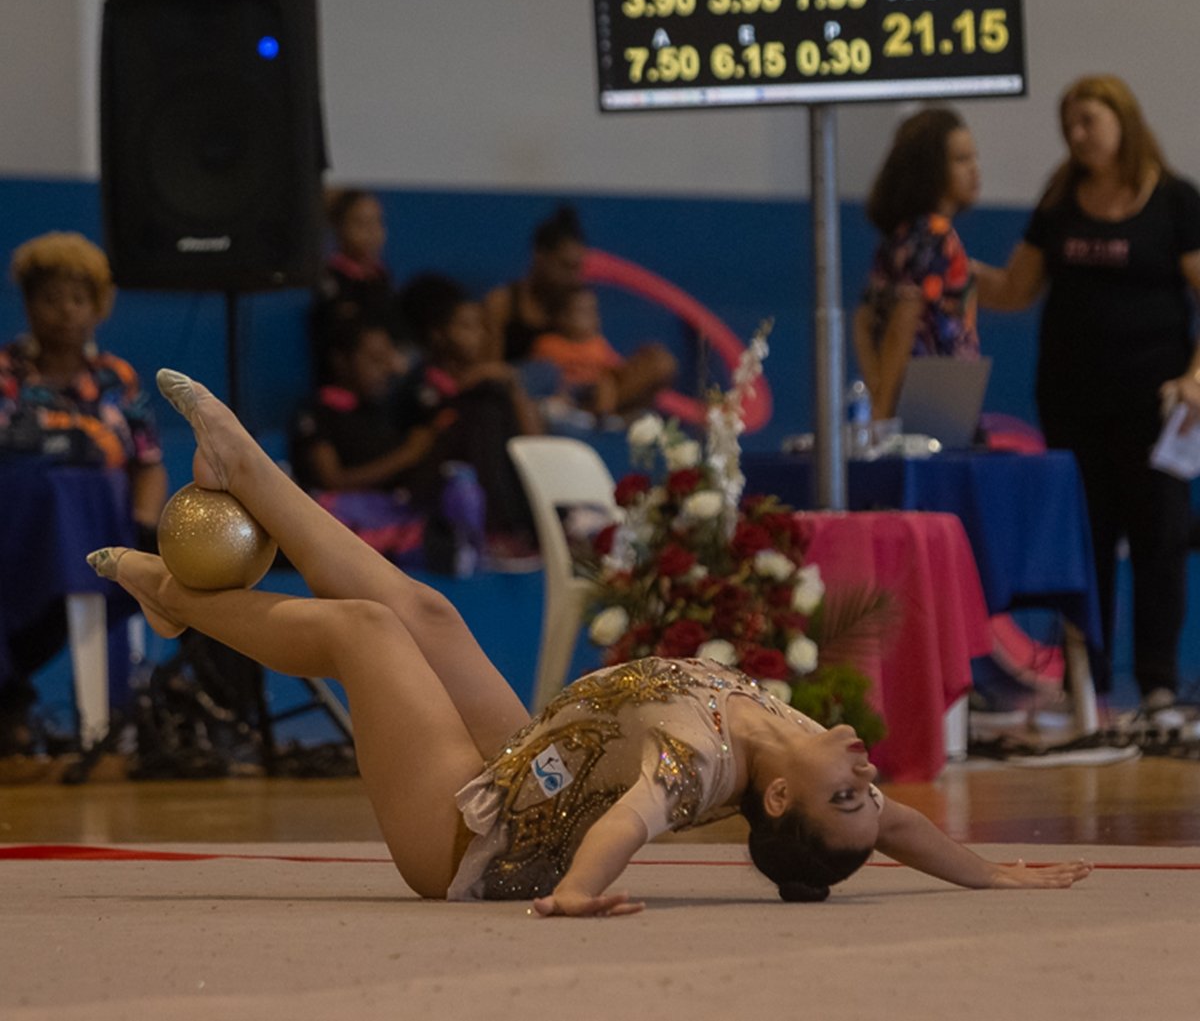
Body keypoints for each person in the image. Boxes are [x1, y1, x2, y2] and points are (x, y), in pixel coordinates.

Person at [86, 368, 1093, 912]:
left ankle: (179, 594)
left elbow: (628, 826)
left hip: (467, 843)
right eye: (868, 789)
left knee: (368, 632)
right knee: (430, 612)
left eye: (848, 792)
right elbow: (896, 830)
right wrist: (990, 872)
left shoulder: (700, 764)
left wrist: (576, 897)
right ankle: (248, 485)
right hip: (526, 762)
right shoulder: (793, 735)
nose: (869, 776)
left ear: (778, 798)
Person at [973, 74, 1200, 717]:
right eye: (1068, 124)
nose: (1077, 136)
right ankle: (1089, 683)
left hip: (1155, 408)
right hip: (1072, 401)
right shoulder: (1061, 197)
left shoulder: (1175, 201)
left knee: (1159, 539)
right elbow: (1017, 289)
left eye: (1089, 122)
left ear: (1123, 122)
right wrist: (946, 263)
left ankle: (1156, 683)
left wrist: (1195, 378)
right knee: (1087, 541)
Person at [0, 231, 167, 752]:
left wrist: (143, 521)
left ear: (98, 307)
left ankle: (95, 720)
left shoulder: (117, 378)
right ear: (28, 304)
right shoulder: (7, 373)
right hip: (15, 534)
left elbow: (149, 463)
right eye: (51, 298)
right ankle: (9, 699)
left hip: (99, 533)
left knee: (99, 554)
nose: (65, 312)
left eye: (78, 299)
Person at [289, 318, 475, 574]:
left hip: (399, 507)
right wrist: (406, 456)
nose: (387, 369)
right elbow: (331, 479)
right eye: (375, 360)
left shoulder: (387, 407)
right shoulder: (319, 412)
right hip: (348, 513)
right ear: (341, 361)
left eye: (388, 358)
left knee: (461, 482)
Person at [397, 272, 542, 569]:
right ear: (439, 335)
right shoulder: (421, 383)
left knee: (492, 403)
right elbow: (431, 439)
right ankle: (496, 532)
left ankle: (534, 527)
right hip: (432, 487)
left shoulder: (493, 386)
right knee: (482, 412)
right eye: (466, 326)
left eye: (481, 327)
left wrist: (513, 386)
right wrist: (475, 381)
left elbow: (534, 441)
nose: (479, 336)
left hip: (488, 480)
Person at [852, 107, 982, 420]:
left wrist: (877, 385)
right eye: (961, 160)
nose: (974, 170)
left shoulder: (902, 235)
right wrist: (882, 410)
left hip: (914, 397)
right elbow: (903, 320)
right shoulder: (935, 235)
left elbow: (862, 321)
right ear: (930, 169)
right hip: (933, 400)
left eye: (973, 157)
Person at [481, 203, 588, 397]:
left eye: (577, 268)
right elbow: (491, 368)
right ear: (540, 257)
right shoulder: (502, 302)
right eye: (565, 266)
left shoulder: (577, 303)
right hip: (515, 395)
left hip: (570, 394)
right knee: (546, 372)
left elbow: (593, 355)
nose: (574, 277)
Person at [532, 285, 677, 424]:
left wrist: (644, 360)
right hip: (571, 395)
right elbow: (543, 378)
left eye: (593, 311)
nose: (591, 318)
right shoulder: (549, 344)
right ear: (561, 317)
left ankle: (605, 417)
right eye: (582, 312)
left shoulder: (598, 344)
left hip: (598, 392)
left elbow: (615, 369)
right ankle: (597, 417)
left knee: (607, 381)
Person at [310, 188, 409, 384]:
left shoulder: (381, 276)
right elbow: (339, 334)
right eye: (361, 224)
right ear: (339, 228)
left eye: (377, 222)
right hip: (344, 384)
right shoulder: (331, 279)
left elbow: (395, 326)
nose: (372, 232)